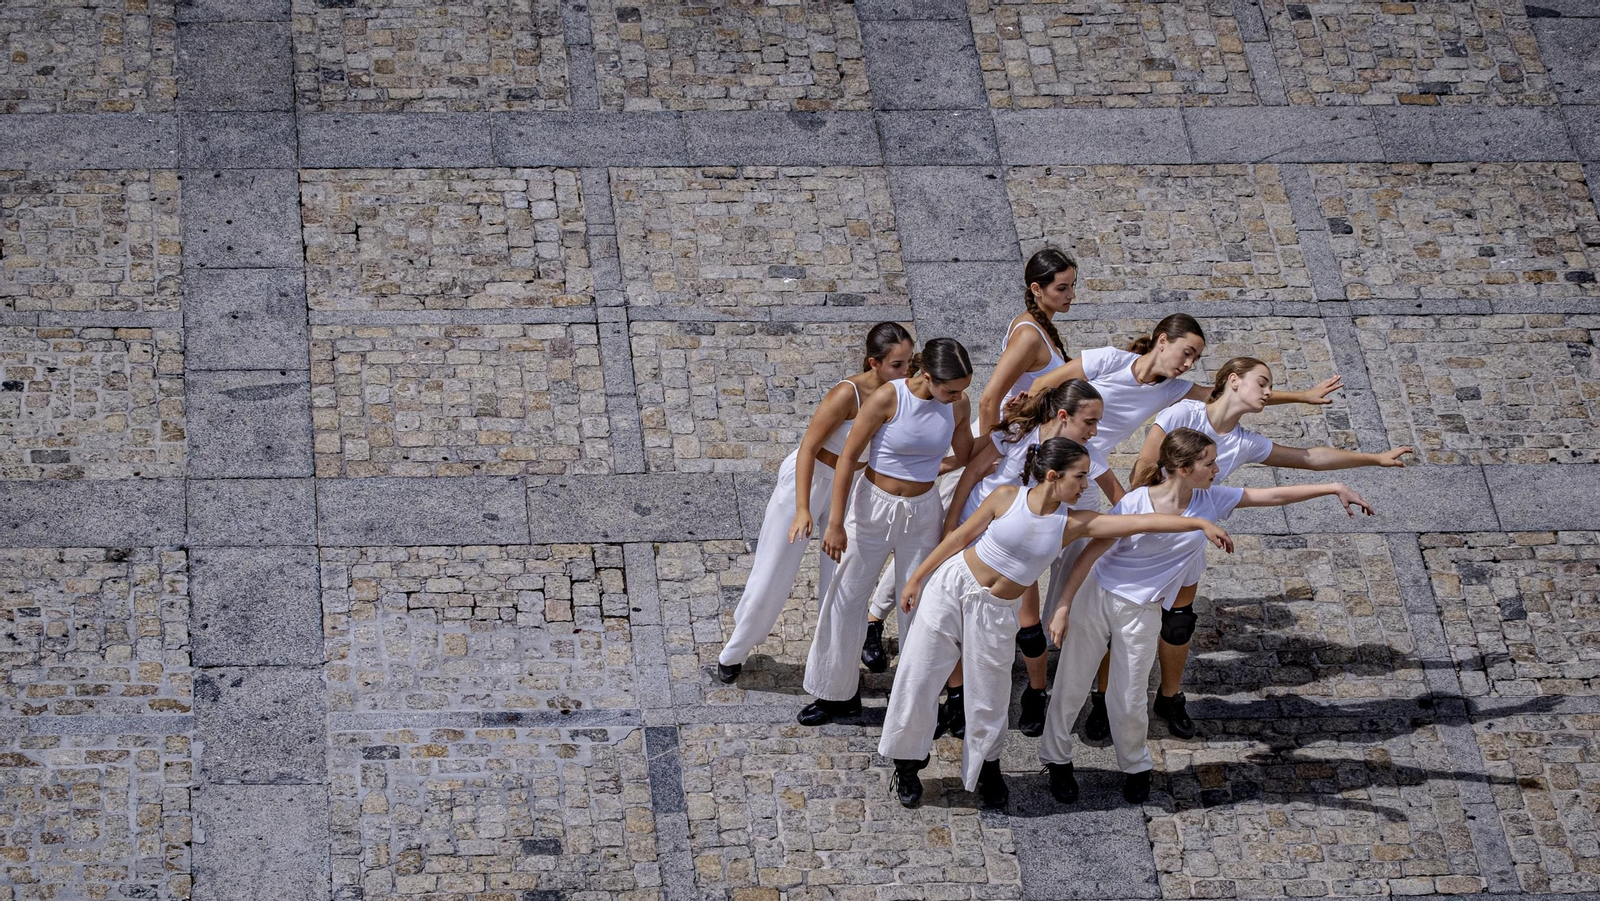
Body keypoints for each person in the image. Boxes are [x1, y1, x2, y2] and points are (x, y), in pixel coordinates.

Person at [878, 437, 1233, 810]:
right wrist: (917, 578)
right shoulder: (1006, 497)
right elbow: (960, 538)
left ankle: (988, 770)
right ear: (1052, 476)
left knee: (990, 694)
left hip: (997, 610)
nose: (1085, 485)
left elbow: (1140, 521)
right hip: (952, 587)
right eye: (1080, 477)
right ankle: (908, 765)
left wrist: (1198, 522)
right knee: (918, 677)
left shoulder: (1074, 523)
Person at [1040, 428, 1375, 806]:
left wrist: (1332, 486)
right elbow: (1091, 552)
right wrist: (1064, 605)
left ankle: (1135, 766)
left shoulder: (1211, 499)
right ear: (1183, 468)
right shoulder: (1135, 502)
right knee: (1071, 684)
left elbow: (1274, 495)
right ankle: (1056, 761)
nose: (1217, 469)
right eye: (1209, 462)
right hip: (1098, 597)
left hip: (1143, 609)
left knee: (1131, 694)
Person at [1113, 356, 1416, 738]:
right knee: (1122, 616)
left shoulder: (1245, 442)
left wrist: (1373, 459)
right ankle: (1103, 695)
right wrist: (1137, 515)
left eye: (1271, 385)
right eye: (1263, 382)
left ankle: (1170, 697)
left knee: (1178, 623)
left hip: (1190, 540)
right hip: (1149, 525)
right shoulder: (1183, 412)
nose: (1269, 391)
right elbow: (1144, 462)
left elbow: (1310, 458)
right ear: (1235, 380)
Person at [858, 247, 1076, 673]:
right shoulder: (1030, 333)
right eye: (1062, 287)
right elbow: (993, 395)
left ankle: (884, 617)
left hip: (1015, 448)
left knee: (937, 541)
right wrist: (995, 449)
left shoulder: (1041, 327)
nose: (1071, 296)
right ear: (1038, 289)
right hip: (1002, 451)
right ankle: (876, 619)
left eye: (1071, 286)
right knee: (940, 540)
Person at [715, 323, 916, 684]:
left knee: (841, 577)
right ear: (874, 362)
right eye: (898, 365)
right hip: (811, 479)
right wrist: (803, 507)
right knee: (774, 569)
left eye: (910, 362)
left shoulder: (904, 392)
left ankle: (835, 662)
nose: (906, 372)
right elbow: (809, 446)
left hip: (855, 486)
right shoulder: (847, 394)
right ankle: (735, 650)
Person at [798, 338, 975, 726]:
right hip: (872, 508)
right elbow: (848, 458)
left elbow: (964, 455)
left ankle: (915, 705)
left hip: (923, 512)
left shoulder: (957, 404)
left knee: (920, 607)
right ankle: (835, 694)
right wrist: (835, 523)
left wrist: (929, 470)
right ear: (927, 376)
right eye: (950, 389)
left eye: (962, 389)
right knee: (846, 599)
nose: (958, 396)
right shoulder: (888, 398)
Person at [935, 379, 1118, 740]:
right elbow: (972, 472)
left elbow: (1123, 501)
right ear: (1063, 415)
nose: (1095, 432)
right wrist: (952, 523)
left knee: (1029, 625)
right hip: (985, 531)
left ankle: (1036, 692)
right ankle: (956, 698)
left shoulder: (1087, 457)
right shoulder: (1019, 433)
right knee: (954, 619)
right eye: (1090, 422)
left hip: (1028, 536)